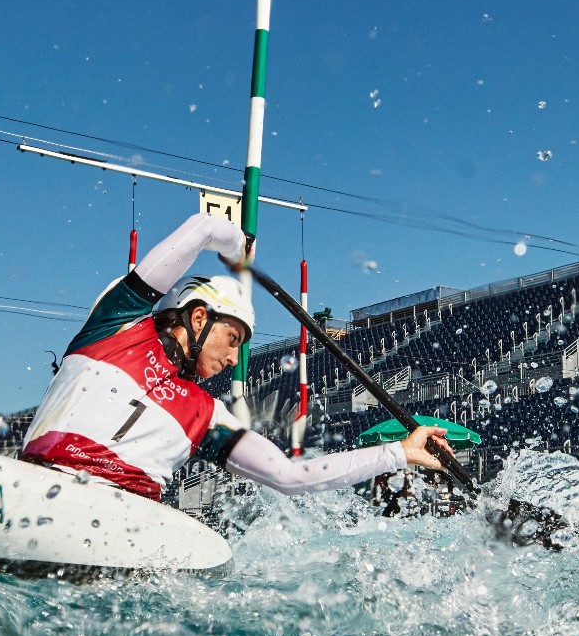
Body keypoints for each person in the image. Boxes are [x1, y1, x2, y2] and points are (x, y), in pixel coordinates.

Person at [23, 212, 453, 500]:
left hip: (126, 517)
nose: (234, 359)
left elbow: (288, 477)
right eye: (232, 339)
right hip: (42, 481)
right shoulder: (119, 323)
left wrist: (401, 452)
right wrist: (235, 246)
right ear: (197, 318)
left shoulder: (207, 414)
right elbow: (202, 228)